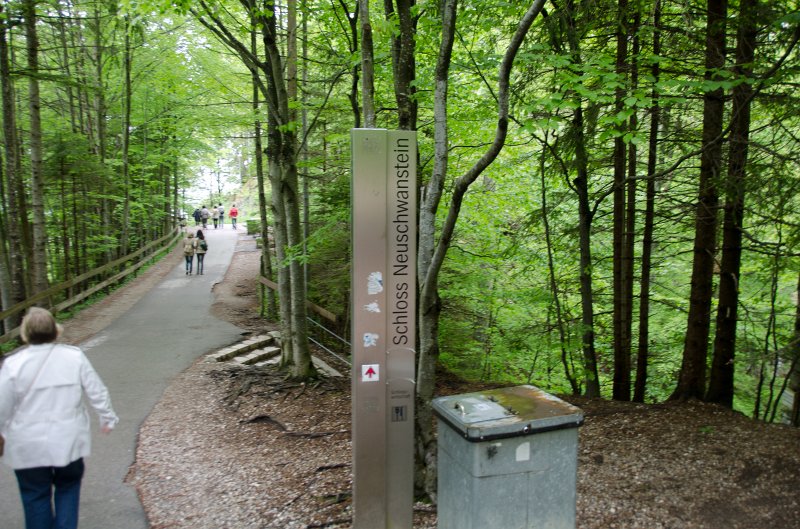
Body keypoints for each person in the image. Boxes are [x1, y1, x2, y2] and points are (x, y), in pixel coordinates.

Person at [0, 307, 118, 529]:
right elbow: (96, 390)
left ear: (25, 334)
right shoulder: (74, 357)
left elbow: (2, 406)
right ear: (55, 331)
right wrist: (107, 418)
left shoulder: (13, 365)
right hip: (69, 441)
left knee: (35, 495)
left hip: (27, 446)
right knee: (68, 488)